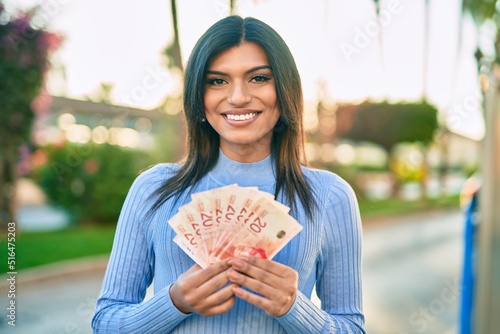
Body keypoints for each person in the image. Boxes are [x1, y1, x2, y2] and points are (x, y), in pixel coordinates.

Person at [92, 15, 365, 333]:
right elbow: (106, 323)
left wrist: (295, 309)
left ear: (285, 89)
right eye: (217, 81)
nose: (237, 97)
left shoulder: (329, 195)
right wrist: (174, 302)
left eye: (259, 78)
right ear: (200, 95)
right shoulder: (153, 189)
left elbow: (352, 328)